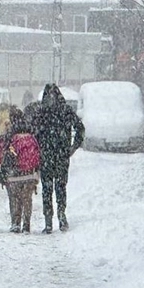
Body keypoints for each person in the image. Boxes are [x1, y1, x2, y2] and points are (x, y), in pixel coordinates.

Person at [33, 83, 85, 233]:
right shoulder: (65, 110)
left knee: (48, 189)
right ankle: (61, 216)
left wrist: (38, 149)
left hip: (46, 156)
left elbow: (34, 133)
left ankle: (49, 221)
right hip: (61, 156)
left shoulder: (41, 112)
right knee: (60, 188)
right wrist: (72, 147)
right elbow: (80, 128)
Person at [0, 106, 41, 233]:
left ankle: (15, 223)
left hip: (13, 175)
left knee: (14, 199)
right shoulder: (32, 135)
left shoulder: (7, 138)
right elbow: (38, 155)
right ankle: (26, 224)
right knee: (27, 199)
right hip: (30, 174)